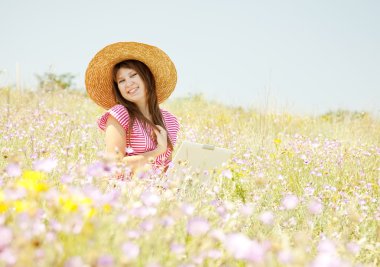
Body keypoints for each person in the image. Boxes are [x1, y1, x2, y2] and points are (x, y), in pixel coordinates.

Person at [85, 42, 180, 176]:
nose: (128, 83)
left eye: (133, 75)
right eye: (121, 81)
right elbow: (113, 166)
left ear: (147, 77)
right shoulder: (119, 114)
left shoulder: (170, 120)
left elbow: (165, 169)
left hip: (159, 194)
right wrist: (157, 151)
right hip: (127, 193)